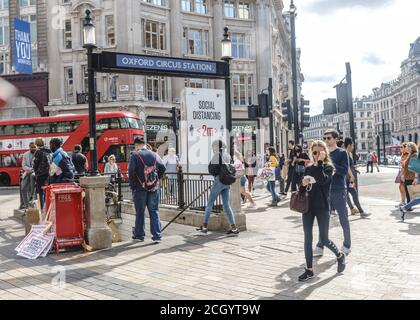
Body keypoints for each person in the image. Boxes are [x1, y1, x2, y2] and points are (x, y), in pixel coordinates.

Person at [298, 140, 346, 281]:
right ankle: (309, 269)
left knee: (324, 239)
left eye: (320, 152)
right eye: (314, 152)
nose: (317, 154)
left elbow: (323, 180)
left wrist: (319, 163)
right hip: (308, 207)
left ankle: (339, 255)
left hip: (322, 207)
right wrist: (303, 183)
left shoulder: (328, 167)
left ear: (325, 153)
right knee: (308, 238)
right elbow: (302, 189)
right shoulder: (308, 167)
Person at [315, 129, 351, 256]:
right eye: (324, 138)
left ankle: (347, 244)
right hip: (324, 190)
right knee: (323, 218)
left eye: (329, 138)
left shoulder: (342, 152)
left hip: (338, 189)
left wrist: (331, 166)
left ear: (336, 138)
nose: (326, 140)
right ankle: (320, 244)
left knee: (343, 218)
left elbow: (344, 170)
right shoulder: (322, 153)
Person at [196, 140, 239, 235]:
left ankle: (204, 226)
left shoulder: (217, 155)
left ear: (217, 146)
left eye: (213, 147)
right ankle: (234, 228)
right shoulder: (227, 155)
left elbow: (212, 169)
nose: (212, 148)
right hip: (226, 182)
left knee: (210, 203)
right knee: (226, 205)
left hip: (219, 181)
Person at [129, 137, 166, 243]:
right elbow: (163, 168)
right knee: (154, 211)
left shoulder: (135, 155)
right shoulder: (154, 154)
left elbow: (131, 171)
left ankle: (140, 235)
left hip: (140, 188)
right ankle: (157, 236)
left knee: (140, 212)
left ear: (136, 145)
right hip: (154, 188)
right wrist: (155, 180)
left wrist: (133, 185)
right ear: (144, 144)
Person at [344, 138, 370, 218]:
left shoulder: (347, 153)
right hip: (349, 178)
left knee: (348, 194)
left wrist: (357, 167)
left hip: (347, 178)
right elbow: (347, 166)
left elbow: (350, 166)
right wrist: (352, 175)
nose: (353, 147)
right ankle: (360, 211)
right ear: (349, 145)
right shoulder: (346, 154)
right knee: (354, 193)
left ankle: (353, 209)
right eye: (353, 145)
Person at [33, 138, 52, 209]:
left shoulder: (38, 152)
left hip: (41, 174)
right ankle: (48, 207)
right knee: (47, 190)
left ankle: (41, 208)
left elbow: (35, 164)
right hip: (49, 173)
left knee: (40, 191)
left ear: (36, 144)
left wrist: (36, 172)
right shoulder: (49, 151)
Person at [400, 142, 418, 207]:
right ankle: (408, 206)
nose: (406, 148)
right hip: (407, 176)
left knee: (411, 193)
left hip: (411, 177)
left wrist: (416, 178)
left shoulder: (414, 155)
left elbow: (416, 167)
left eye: (407, 147)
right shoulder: (410, 154)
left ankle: (408, 206)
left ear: (410, 147)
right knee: (408, 192)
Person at [20, 142, 37, 209]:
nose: (33, 148)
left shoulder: (39, 153)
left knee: (33, 191)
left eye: (34, 147)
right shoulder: (25, 154)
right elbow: (23, 166)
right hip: (27, 173)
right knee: (23, 188)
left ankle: (33, 205)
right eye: (31, 147)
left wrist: (33, 170)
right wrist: (30, 169)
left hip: (36, 174)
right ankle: (27, 205)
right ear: (29, 147)